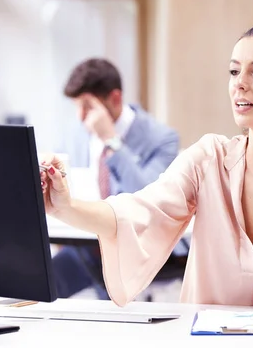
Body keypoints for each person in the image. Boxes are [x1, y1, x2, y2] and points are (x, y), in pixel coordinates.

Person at [41, 23, 253, 307]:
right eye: (234, 71)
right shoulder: (209, 157)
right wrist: (64, 207)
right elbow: (137, 213)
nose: (240, 84)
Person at [50, 58, 180, 300]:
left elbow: (148, 200)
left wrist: (111, 139)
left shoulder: (162, 139)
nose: (81, 117)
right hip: (85, 246)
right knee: (41, 284)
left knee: (111, 289)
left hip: (137, 249)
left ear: (115, 99)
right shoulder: (75, 135)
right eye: (77, 107)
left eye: (88, 107)